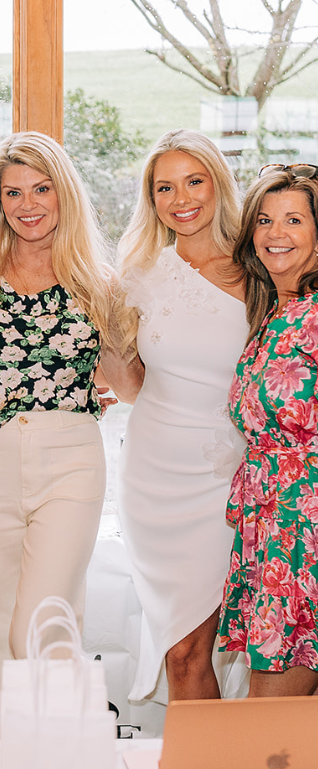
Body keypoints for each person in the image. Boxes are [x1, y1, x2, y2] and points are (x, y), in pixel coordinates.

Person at [0, 131, 114, 738]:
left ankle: (62, 752)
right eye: (13, 191)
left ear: (63, 193)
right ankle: (6, 752)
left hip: (70, 458)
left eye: (41, 188)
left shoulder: (96, 278)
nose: (28, 203)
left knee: (43, 624)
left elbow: (133, 374)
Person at [115, 129, 248, 703]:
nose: (181, 198)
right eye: (164, 187)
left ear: (218, 184)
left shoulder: (261, 270)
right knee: (180, 650)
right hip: (152, 478)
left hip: (228, 481)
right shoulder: (140, 273)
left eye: (194, 181)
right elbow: (129, 379)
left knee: (211, 647)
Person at [218, 164, 318, 697]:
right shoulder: (276, 315)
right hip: (273, 531)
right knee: (286, 724)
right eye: (264, 219)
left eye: (294, 220)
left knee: (268, 716)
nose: (276, 233)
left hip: (306, 533)